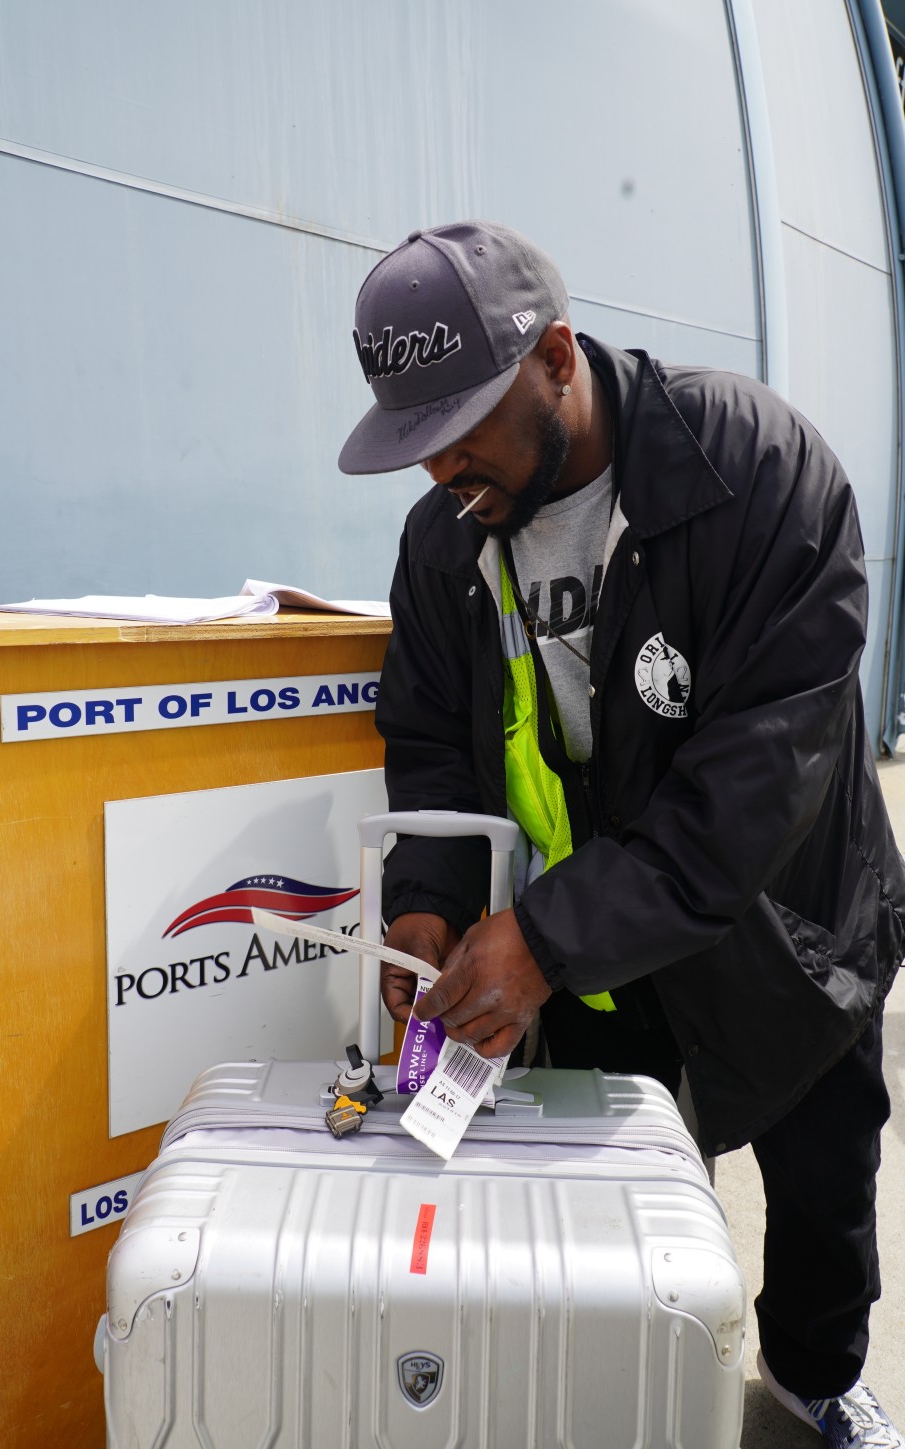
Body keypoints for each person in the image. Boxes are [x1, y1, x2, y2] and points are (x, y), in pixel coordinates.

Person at [338, 220, 905, 1448]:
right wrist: (429, 901)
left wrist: (545, 933)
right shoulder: (446, 537)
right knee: (625, 1191)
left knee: (820, 1179)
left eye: (459, 432)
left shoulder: (755, 469)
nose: (440, 474)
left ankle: (815, 1377)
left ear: (553, 358)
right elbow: (431, 730)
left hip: (783, 923)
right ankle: (642, 1369)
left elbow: (763, 780)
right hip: (599, 939)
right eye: (415, 445)